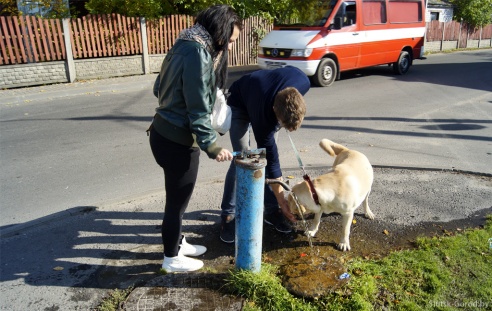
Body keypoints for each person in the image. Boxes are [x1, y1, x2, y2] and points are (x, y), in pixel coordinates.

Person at [149, 5, 242, 272]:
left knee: (178, 200)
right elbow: (198, 109)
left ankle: (178, 243)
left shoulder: (184, 41)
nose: (231, 47)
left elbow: (159, 88)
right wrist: (212, 146)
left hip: (160, 132)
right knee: (176, 203)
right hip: (178, 142)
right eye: (231, 40)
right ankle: (170, 258)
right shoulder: (200, 53)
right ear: (220, 31)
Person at [220, 66, 311, 243]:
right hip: (240, 101)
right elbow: (271, 160)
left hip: (265, 95)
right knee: (243, 159)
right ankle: (228, 215)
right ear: (274, 111)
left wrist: (280, 200)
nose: (281, 127)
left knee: (267, 159)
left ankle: (271, 211)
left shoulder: (303, 82)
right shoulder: (264, 119)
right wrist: (283, 200)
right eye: (281, 124)